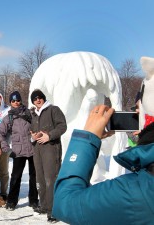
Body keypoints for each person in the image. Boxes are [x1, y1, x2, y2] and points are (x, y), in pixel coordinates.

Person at [52, 56, 154, 224]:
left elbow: (66, 202)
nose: (136, 116)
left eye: (138, 110)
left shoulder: (137, 193)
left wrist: (87, 138)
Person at [0, 91, 39, 211]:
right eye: (13, 101)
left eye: (18, 100)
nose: (16, 103)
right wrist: (6, 149)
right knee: (16, 177)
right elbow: (0, 133)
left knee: (34, 176)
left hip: (33, 148)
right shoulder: (8, 118)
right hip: (18, 151)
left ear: (21, 100)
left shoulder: (30, 114)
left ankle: (34, 200)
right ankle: (11, 201)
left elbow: (38, 126)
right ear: (10, 102)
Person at [29, 89, 67, 223]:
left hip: (51, 149)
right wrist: (33, 137)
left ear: (44, 99)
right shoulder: (34, 114)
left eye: (40, 98)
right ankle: (44, 205)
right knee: (40, 178)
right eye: (35, 99)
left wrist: (49, 136)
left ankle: (53, 211)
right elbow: (32, 132)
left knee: (51, 179)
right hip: (37, 150)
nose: (38, 100)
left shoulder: (53, 110)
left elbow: (63, 126)